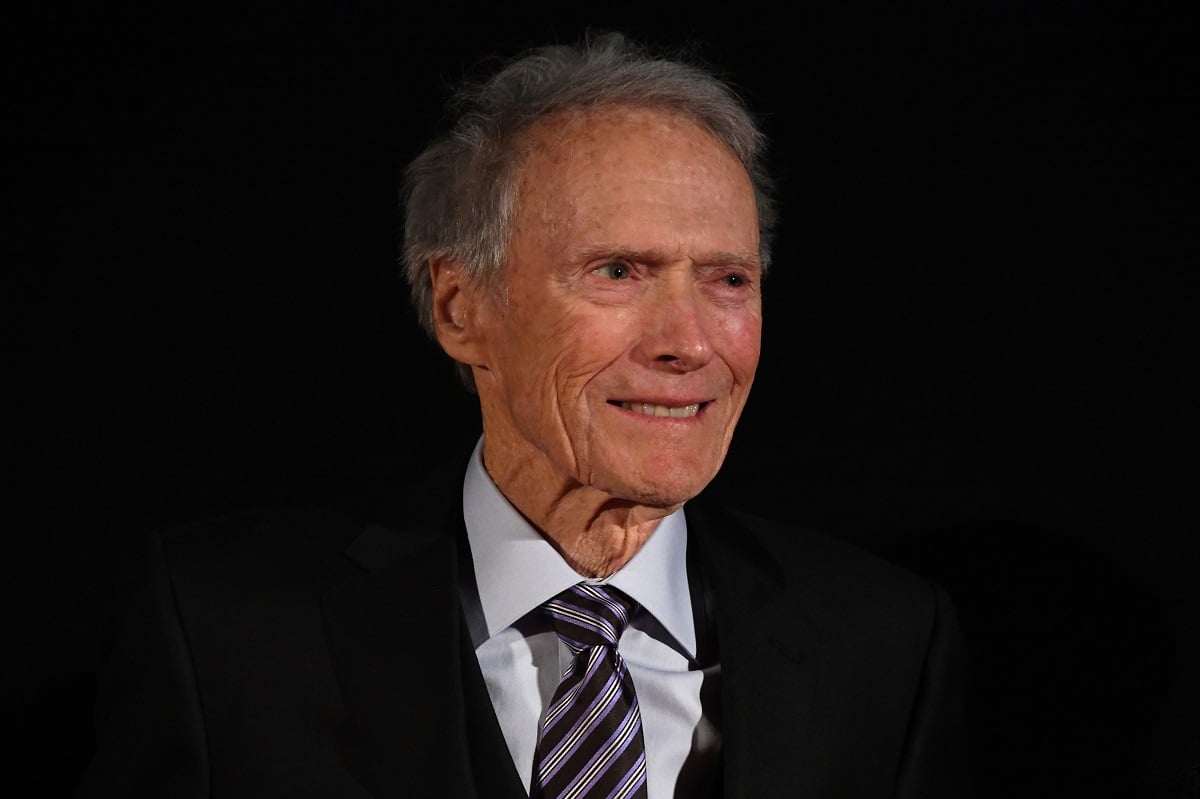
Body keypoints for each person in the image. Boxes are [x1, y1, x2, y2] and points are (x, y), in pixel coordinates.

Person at [74, 31, 970, 798]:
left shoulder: (884, 645)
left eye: (727, 280)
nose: (689, 342)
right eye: (618, 271)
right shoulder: (224, 629)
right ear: (463, 309)